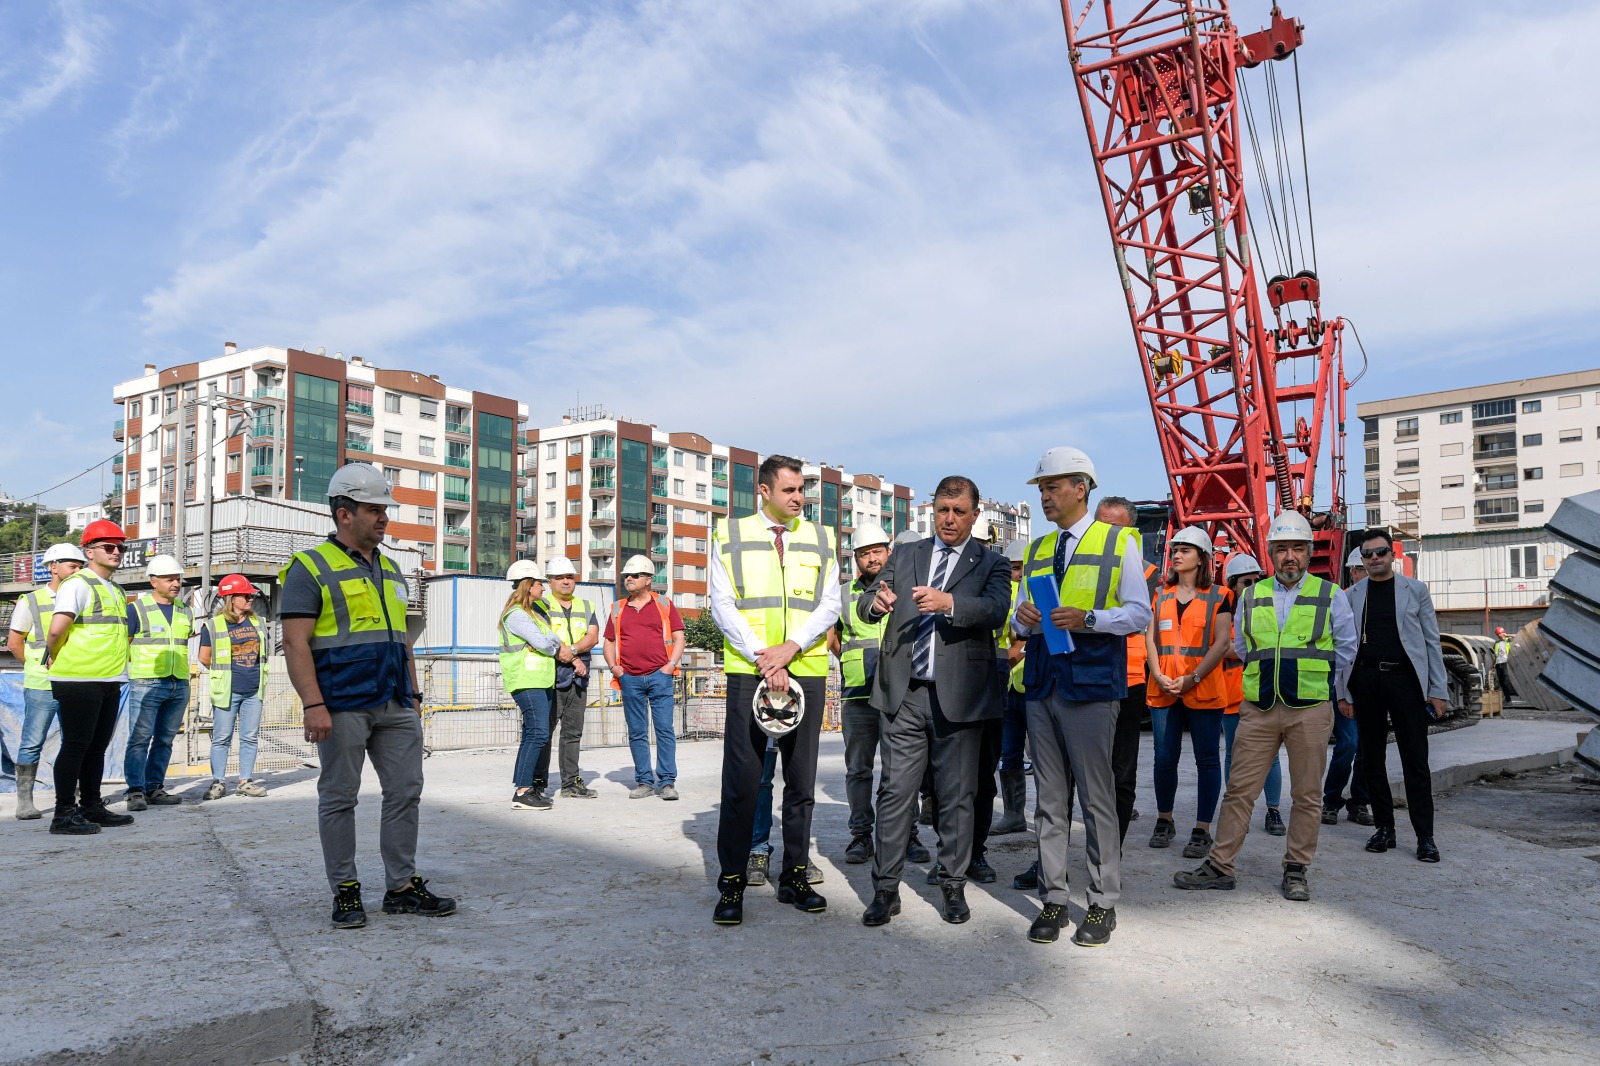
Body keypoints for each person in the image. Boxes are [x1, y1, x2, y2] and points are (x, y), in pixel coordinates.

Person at [280, 463, 455, 929]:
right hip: (341, 702)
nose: (384, 518)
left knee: (406, 792)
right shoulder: (309, 568)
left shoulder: (392, 568)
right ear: (344, 513)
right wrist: (313, 704)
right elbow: (295, 643)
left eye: (384, 510)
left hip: (395, 700)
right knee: (340, 796)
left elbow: (402, 637)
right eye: (374, 510)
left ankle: (400, 887)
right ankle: (346, 890)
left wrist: (414, 694)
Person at [1173, 511, 1357, 902]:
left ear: (1309, 553)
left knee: (1307, 794)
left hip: (1309, 707)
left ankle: (1296, 868)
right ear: (1271, 552)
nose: (1290, 556)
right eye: (1282, 549)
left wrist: (1316, 684)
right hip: (1258, 707)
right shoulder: (1252, 595)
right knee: (1239, 789)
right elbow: (1241, 647)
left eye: (1298, 549)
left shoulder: (1331, 595)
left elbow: (1346, 650)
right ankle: (1221, 866)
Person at [1012, 449, 1152, 946]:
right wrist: (1020, 620)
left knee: (1096, 799)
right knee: (1050, 801)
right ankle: (1054, 898)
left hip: (1092, 685)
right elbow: (1017, 619)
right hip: (1043, 682)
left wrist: (1089, 619)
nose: (1045, 496)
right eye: (1041, 489)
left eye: (1053, 487)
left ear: (1081, 489)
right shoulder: (1036, 549)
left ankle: (1102, 902)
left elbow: (1139, 613)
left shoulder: (1119, 541)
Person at [858, 475, 1011, 929]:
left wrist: (949, 603)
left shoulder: (991, 563)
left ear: (974, 514)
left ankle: (952, 885)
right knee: (895, 794)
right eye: (942, 510)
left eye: (958, 511)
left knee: (956, 797)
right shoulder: (906, 554)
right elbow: (869, 597)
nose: (949, 519)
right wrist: (877, 603)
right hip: (905, 694)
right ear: (932, 510)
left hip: (960, 698)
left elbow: (995, 610)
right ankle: (885, 889)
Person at [709, 455, 841, 926]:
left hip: (803, 665)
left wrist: (791, 648)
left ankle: (795, 876)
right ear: (764, 490)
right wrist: (763, 656)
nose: (798, 498)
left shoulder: (821, 538)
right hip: (750, 668)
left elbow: (831, 603)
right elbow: (721, 603)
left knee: (801, 782)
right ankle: (732, 882)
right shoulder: (729, 535)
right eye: (789, 490)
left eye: (801, 489)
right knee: (743, 781)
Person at [1340, 528, 1449, 863]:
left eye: (1381, 552)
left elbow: (1432, 642)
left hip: (1405, 681)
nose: (1375, 559)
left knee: (1415, 760)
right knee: (1371, 759)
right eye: (1368, 554)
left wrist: (1437, 690)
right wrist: (1343, 693)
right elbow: (1344, 647)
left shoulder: (1415, 590)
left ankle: (1425, 837)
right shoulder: (1352, 595)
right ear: (1362, 559)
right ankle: (1384, 828)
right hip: (1366, 681)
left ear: (1391, 555)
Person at [42, 519, 136, 836]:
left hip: (109, 679)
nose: (116, 552)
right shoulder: (78, 583)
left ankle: (92, 807)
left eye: (120, 547)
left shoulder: (116, 589)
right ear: (89, 551)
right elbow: (56, 629)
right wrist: (53, 653)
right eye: (108, 546)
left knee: (96, 748)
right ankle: (63, 814)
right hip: (79, 679)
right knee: (76, 746)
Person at [1145, 527, 1233, 860]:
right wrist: (1158, 674)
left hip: (1203, 688)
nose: (1177, 554)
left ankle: (1202, 829)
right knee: (1164, 759)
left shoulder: (1220, 595)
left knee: (1207, 761)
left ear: (1202, 558)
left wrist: (1191, 678)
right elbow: (1150, 639)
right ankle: (1164, 820)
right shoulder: (1160, 595)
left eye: (1185, 549)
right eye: (1175, 549)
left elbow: (1222, 643)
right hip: (1164, 687)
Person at [1095, 496, 1158, 843]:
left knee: (1121, 772)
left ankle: (1110, 853)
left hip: (1128, 680)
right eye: (1100, 524)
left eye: (1114, 527)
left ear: (1131, 532)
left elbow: (1135, 620)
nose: (1105, 533)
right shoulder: (1080, 563)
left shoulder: (1147, 572)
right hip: (1086, 675)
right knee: (1073, 775)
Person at [6, 542, 85, 821]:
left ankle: (71, 798)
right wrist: (36, 667)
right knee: (32, 741)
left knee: (73, 741)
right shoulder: (32, 601)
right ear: (53, 567)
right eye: (73, 566)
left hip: (74, 679)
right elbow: (15, 642)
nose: (78, 571)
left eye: (80, 567)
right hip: (42, 684)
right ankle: (24, 801)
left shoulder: (82, 596)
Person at [835, 521, 894, 864]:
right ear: (855, 557)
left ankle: (907, 834)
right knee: (858, 769)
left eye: (877, 551)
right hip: (857, 694)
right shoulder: (844, 594)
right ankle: (860, 835)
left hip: (897, 692)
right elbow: (834, 639)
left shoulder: (905, 588)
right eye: (864, 553)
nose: (872, 559)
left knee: (899, 771)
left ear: (888, 552)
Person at [603, 555, 685, 800]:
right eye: (626, 576)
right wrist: (614, 667)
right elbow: (609, 642)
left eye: (634, 575)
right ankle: (645, 782)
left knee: (664, 729)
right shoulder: (618, 608)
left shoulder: (665, 604)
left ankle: (667, 782)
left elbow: (679, 637)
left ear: (648, 579)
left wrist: (671, 665)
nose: (628, 579)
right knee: (637, 731)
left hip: (660, 676)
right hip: (630, 679)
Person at [1219, 554, 1285, 836]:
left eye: (1258, 579)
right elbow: (1222, 648)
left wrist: (1236, 648)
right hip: (1232, 699)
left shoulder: (1269, 608)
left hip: (1263, 695)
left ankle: (1274, 811)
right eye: (1247, 581)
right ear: (1233, 584)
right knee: (1233, 756)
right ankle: (1234, 811)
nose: (1254, 584)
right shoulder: (1223, 612)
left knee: (1271, 757)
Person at [122, 554, 193, 810]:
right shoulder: (136, 609)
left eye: (178, 579)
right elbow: (124, 646)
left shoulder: (186, 611)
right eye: (170, 579)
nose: (176, 583)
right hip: (147, 682)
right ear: (154, 582)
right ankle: (135, 791)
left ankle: (154, 787)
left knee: (165, 739)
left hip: (179, 683)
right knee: (140, 738)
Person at [499, 560, 566, 811]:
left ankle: (523, 786)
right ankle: (523, 792)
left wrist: (548, 640)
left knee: (532, 734)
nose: (544, 588)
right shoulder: (517, 614)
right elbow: (547, 644)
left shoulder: (530, 614)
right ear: (528, 586)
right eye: (540, 583)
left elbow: (549, 641)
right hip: (527, 681)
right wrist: (548, 641)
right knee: (538, 733)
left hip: (538, 681)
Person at [198, 574, 271, 800]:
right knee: (222, 737)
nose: (250, 599)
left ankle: (245, 781)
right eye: (246, 595)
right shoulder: (213, 625)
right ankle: (218, 782)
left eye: (251, 595)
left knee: (250, 736)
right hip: (228, 690)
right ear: (230, 598)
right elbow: (204, 657)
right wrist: (227, 673)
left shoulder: (258, 622)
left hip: (253, 689)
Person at [542, 556, 600, 799]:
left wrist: (574, 652)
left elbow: (593, 636)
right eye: (560, 578)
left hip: (578, 676)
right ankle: (536, 783)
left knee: (573, 733)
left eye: (570, 577)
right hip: (550, 677)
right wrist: (572, 656)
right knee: (543, 733)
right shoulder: (541, 605)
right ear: (550, 581)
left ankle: (570, 784)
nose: (566, 582)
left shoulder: (586, 606)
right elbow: (546, 638)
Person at [1323, 546, 1372, 827]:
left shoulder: (1381, 599)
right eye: (1362, 569)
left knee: (1367, 748)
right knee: (1349, 743)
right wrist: (1341, 694)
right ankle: (1331, 801)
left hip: (1371, 687)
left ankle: (1359, 802)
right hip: (1346, 685)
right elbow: (1339, 651)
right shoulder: (1341, 600)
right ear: (1354, 572)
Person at [1492, 628, 1516, 701]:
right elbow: (1496, 656)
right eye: (1498, 635)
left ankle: (1509, 698)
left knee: (1506, 681)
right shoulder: (1496, 643)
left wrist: (1506, 635)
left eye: (1501, 634)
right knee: (1501, 682)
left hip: (1505, 663)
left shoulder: (1507, 640)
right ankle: (1507, 698)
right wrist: (1492, 665)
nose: (1500, 636)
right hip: (1498, 664)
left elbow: (1516, 636)